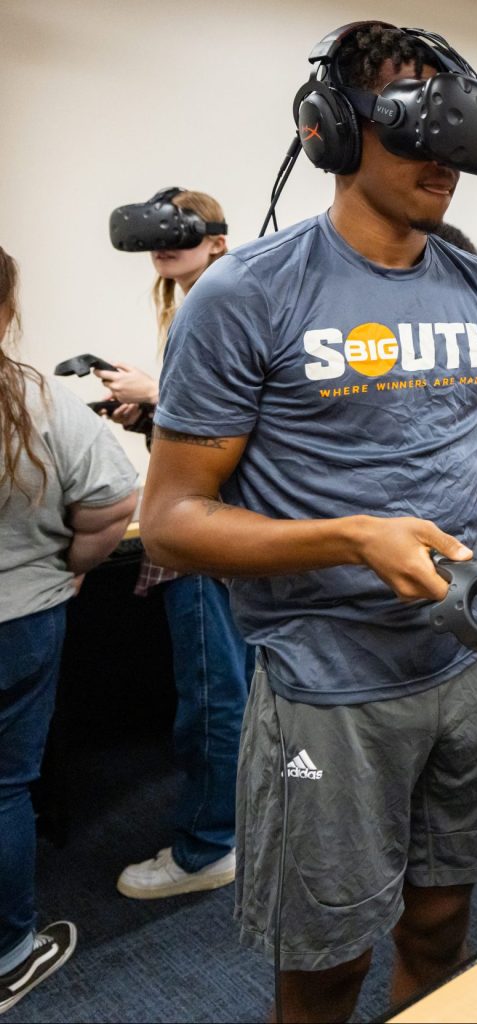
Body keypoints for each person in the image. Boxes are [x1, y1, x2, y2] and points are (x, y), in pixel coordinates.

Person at [140, 23, 477, 1022]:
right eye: (413, 129)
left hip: (472, 658)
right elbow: (170, 524)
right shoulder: (245, 296)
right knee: (325, 964)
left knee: (441, 920)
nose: (441, 161)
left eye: (454, 135)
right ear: (330, 132)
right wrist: (351, 537)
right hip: (328, 686)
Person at [92, 190, 252, 900]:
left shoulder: (222, 306)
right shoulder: (195, 308)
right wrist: (146, 415)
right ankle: (241, 824)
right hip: (210, 526)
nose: (162, 242)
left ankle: (208, 847)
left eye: (180, 229)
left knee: (214, 697)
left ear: (216, 240)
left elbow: (247, 427)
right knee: (230, 692)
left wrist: (158, 395)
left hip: (204, 538)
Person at [0, 246, 137, 1013]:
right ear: (9, 310)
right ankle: (9, 953)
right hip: (19, 618)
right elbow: (115, 504)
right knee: (5, 789)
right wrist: (76, 564)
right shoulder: (37, 401)